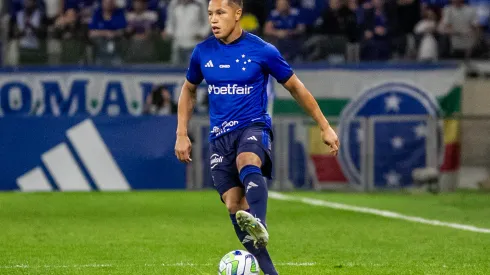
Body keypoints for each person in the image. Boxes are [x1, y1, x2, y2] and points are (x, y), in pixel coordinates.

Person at [174, 0, 339, 274]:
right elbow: (188, 90)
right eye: (210, 14)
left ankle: (259, 221)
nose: (213, 20)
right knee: (233, 204)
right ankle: (269, 270)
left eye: (220, 13)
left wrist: (324, 125)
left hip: (253, 126)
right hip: (220, 138)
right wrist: (182, 133)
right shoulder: (202, 52)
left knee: (247, 159)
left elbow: (296, 87)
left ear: (237, 14)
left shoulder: (262, 51)